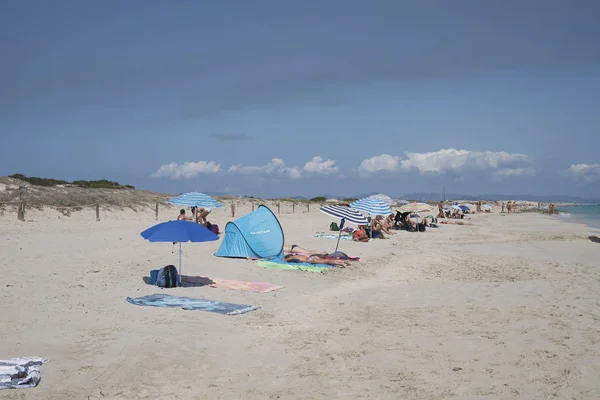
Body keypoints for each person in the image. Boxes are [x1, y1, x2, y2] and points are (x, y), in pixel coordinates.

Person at [283, 253, 349, 267]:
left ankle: (341, 263)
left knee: (327, 261)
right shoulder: (299, 255)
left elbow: (286, 259)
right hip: (312, 257)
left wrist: (285, 259)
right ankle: (343, 261)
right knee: (327, 260)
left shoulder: (294, 256)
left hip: (311, 260)